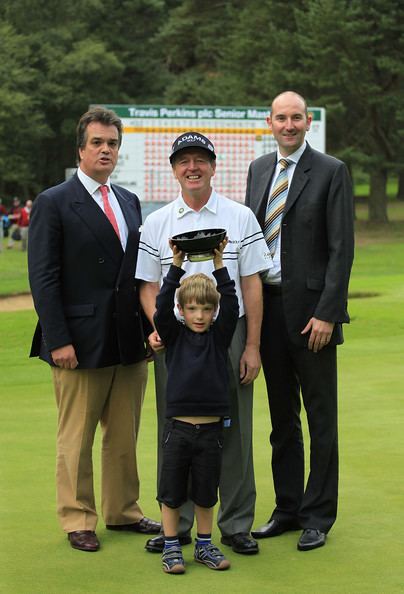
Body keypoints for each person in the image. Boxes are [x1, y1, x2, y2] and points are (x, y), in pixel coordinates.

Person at [28, 107, 160, 552]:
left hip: (129, 339)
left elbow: (138, 273)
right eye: (98, 143)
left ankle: (123, 511)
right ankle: (77, 518)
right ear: (80, 149)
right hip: (78, 342)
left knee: (124, 435)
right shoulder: (53, 202)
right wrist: (58, 338)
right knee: (76, 438)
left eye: (113, 144)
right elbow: (44, 278)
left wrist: (148, 330)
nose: (106, 150)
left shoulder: (128, 200)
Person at [136, 131, 272, 555]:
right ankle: (177, 526)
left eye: (200, 160)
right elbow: (148, 284)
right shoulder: (157, 222)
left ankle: (234, 524)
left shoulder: (240, 216)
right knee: (175, 431)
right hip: (175, 340)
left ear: (213, 166)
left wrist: (252, 346)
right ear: (174, 169)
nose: (192, 167)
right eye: (184, 161)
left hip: (226, 337)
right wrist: (156, 326)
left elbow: (251, 285)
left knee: (232, 429)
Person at [246, 91, 354, 551]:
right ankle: (288, 508)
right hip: (266, 312)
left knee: (320, 417)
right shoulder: (257, 171)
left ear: (308, 121)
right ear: (269, 122)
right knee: (281, 419)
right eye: (280, 118)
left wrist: (328, 312)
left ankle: (318, 516)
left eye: (296, 118)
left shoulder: (332, 171)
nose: (288, 125)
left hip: (312, 316)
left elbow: (340, 249)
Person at [154, 239, 239, 574]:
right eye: (192, 309)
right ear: (182, 311)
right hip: (178, 430)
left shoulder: (219, 336)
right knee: (172, 492)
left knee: (206, 493)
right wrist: (175, 266)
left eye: (206, 309)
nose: (200, 316)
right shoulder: (173, 336)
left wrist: (219, 265)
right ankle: (172, 546)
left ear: (213, 311)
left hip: (211, 431)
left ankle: (205, 544)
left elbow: (231, 304)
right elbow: (161, 308)